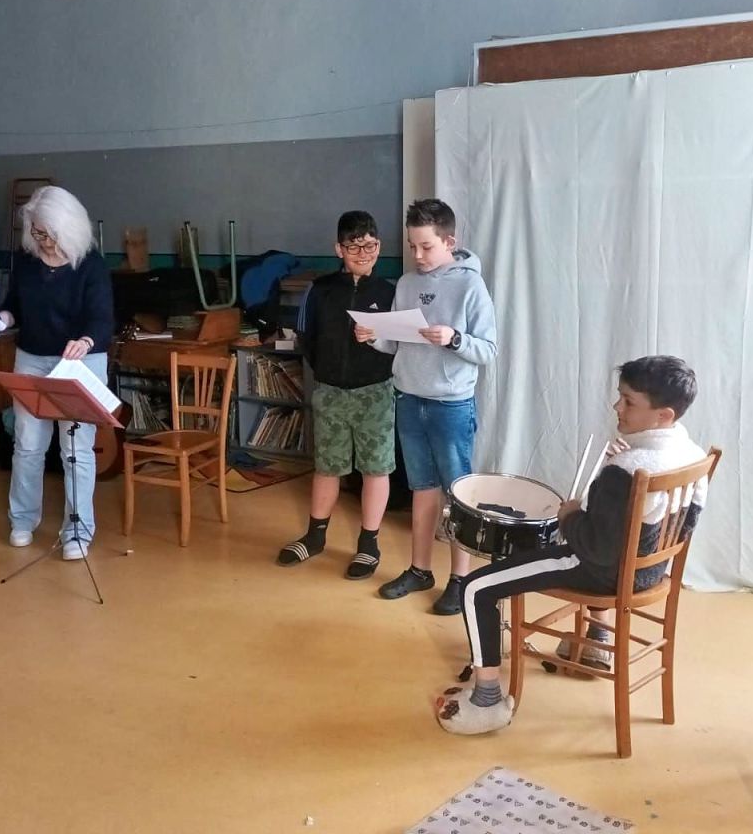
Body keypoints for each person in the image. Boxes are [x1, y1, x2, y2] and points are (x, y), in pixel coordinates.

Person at [434, 355, 709, 735]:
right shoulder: (691, 455)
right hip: (650, 572)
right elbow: (681, 522)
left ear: (663, 415)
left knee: (476, 587)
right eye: (620, 396)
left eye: (629, 401)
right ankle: (596, 640)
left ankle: (486, 700)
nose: (617, 406)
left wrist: (570, 515)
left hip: (602, 570)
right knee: (554, 547)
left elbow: (595, 546)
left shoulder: (626, 470)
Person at [354, 199, 497, 615]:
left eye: (427, 246)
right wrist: (373, 336)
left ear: (450, 241)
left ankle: (460, 580)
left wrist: (455, 338)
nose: (418, 255)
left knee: (460, 495)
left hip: (451, 404)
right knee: (422, 487)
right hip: (408, 395)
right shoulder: (406, 283)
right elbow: (397, 342)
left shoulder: (471, 286)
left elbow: (488, 350)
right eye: (412, 246)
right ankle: (420, 570)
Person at [0, 185, 113, 561]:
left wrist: (86, 340)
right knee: (28, 444)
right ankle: (22, 520)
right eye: (37, 232)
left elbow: (102, 318)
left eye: (49, 234)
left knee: (75, 450)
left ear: (69, 228)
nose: (43, 241)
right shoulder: (27, 260)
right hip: (31, 358)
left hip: (79, 362)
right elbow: (14, 304)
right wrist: (2, 317)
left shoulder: (91, 264)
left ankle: (78, 531)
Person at [276, 211, 396, 579]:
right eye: (353, 246)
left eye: (370, 246)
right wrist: (326, 373)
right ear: (338, 249)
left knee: (376, 468)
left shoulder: (390, 292)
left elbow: (401, 343)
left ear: (379, 247)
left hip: (375, 393)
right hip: (329, 392)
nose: (363, 254)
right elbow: (306, 337)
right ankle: (315, 536)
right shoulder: (320, 290)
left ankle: (369, 543)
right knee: (327, 466)